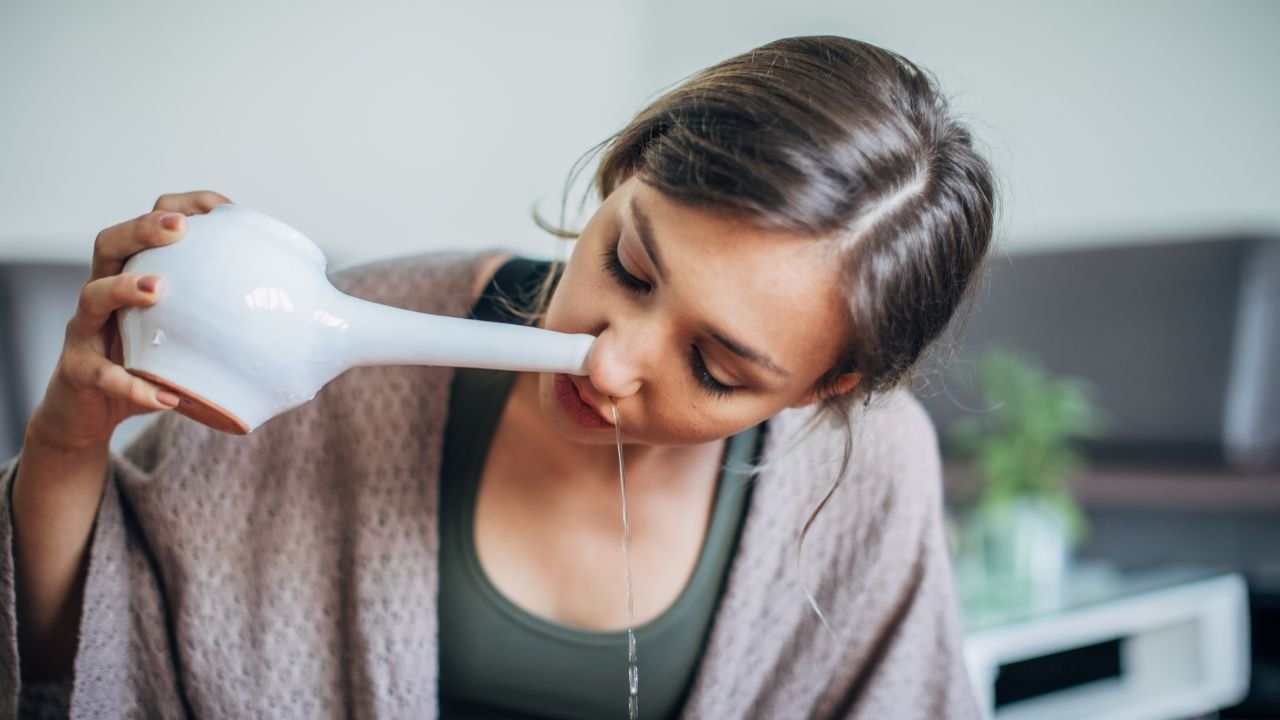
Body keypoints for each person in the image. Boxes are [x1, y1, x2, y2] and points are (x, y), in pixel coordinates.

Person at [3, 34, 996, 718]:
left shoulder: (870, 469)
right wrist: (67, 440)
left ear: (822, 389)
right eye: (629, 266)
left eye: (713, 366)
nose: (609, 362)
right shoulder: (341, 364)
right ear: (619, 172)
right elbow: (81, 671)